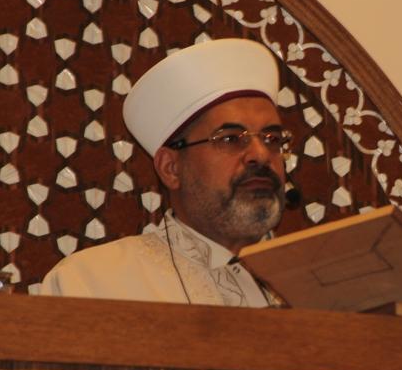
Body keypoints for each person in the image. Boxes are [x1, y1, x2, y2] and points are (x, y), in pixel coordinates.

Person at [40, 38, 290, 307]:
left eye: (272, 139)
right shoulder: (92, 283)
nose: (261, 155)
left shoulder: (314, 278)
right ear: (170, 168)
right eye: (230, 139)